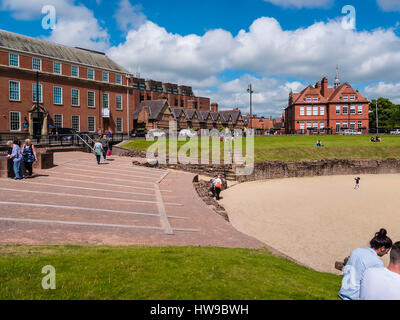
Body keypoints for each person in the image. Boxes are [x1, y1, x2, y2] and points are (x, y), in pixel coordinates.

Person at [338, 228, 393, 300]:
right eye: (387, 250)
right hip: (356, 297)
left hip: (344, 292)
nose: (386, 253)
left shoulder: (356, 251)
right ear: (382, 248)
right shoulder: (377, 263)